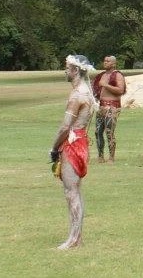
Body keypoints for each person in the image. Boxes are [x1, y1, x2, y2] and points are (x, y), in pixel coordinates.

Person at [50, 54, 97, 250]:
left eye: (67, 68)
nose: (65, 71)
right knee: (75, 191)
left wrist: (53, 148)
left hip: (73, 143)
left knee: (71, 192)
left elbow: (65, 127)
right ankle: (75, 236)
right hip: (81, 141)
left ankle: (74, 238)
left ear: (75, 70)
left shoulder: (77, 94)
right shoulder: (87, 92)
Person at [91, 55, 126, 164]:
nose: (105, 62)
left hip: (112, 106)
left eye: (108, 61)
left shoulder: (117, 75)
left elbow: (120, 90)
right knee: (97, 132)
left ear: (114, 64)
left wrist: (105, 85)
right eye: (104, 60)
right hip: (100, 106)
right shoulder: (100, 75)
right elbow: (96, 89)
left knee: (109, 132)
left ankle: (111, 157)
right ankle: (100, 156)